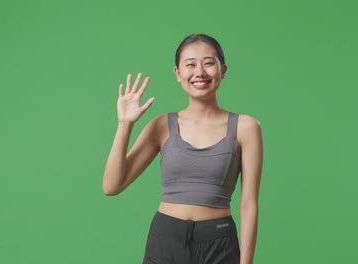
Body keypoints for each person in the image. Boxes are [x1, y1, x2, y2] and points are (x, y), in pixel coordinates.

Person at [102, 34, 263, 264]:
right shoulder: (161, 126)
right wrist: (125, 125)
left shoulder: (246, 127)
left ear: (223, 70)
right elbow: (111, 186)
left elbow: (248, 204)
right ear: (178, 74)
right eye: (190, 64)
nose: (200, 72)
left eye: (208, 63)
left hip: (219, 241)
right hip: (165, 239)